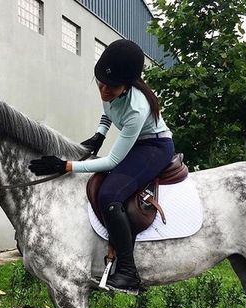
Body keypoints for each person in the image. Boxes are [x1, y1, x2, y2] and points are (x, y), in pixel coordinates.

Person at [29, 39, 175, 293]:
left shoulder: (137, 109)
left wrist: (66, 166)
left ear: (127, 85)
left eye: (112, 87)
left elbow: (113, 161)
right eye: (101, 83)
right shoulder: (110, 87)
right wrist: (100, 134)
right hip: (140, 143)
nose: (104, 91)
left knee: (110, 194)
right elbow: (108, 110)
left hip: (155, 147)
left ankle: (128, 272)